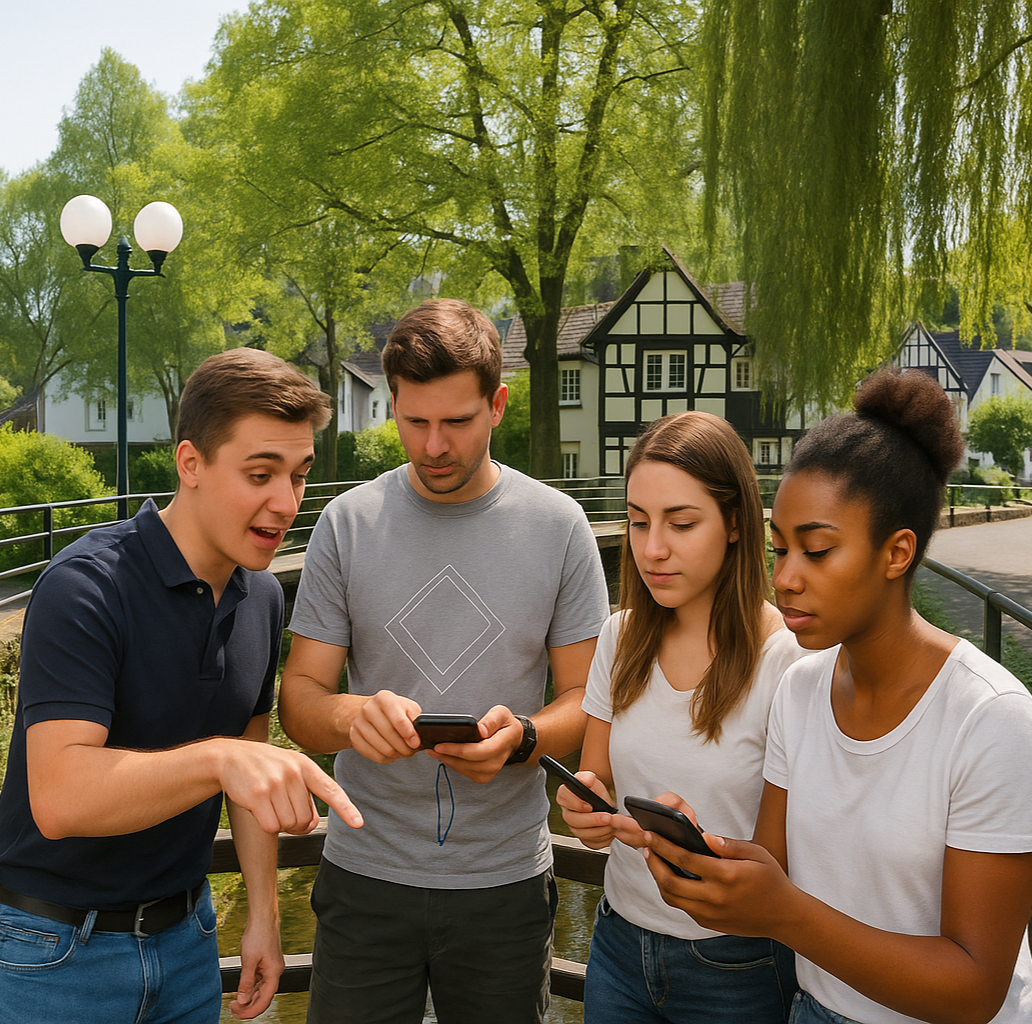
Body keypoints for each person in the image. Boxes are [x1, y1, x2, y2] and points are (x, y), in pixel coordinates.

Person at [642, 368, 1032, 1024]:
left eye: (817, 552)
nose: (786, 578)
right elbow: (776, 868)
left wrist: (785, 914)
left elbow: (975, 986)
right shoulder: (799, 689)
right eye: (779, 549)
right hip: (812, 1008)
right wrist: (704, 853)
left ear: (897, 552)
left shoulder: (991, 720)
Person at [0, 348, 364, 1024]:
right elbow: (58, 798)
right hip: (52, 954)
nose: (285, 503)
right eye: (260, 474)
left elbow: (250, 772)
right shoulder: (86, 587)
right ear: (190, 463)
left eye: (299, 474)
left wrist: (262, 917)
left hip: (190, 944)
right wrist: (218, 758)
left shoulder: (262, 597)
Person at [278, 297, 610, 1024]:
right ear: (390, 401)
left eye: (456, 422)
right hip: (364, 878)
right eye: (413, 421)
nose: (432, 446)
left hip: (505, 887)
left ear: (498, 404)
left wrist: (522, 740)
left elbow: (586, 700)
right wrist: (353, 716)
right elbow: (300, 698)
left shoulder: (560, 527)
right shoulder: (346, 523)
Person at [555, 410, 807, 1023]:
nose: (653, 549)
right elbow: (598, 778)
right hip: (618, 944)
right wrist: (585, 808)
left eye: (681, 523)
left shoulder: (791, 663)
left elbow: (789, 859)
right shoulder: (619, 636)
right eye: (639, 523)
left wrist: (706, 847)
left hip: (736, 963)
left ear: (737, 525)